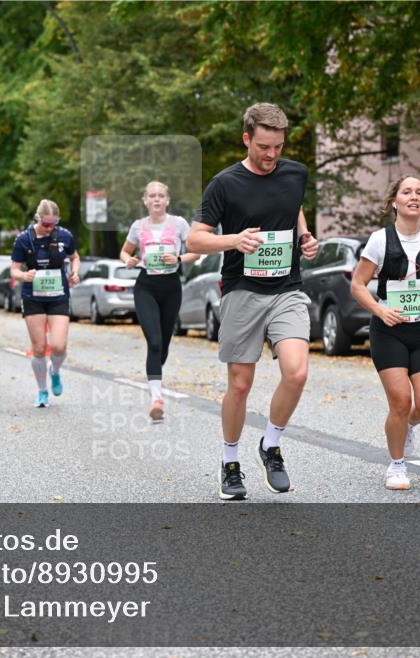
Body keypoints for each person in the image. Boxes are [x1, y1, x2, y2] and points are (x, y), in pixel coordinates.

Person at [187, 103, 320, 501]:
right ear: (246, 138)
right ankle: (230, 463)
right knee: (240, 385)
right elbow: (195, 239)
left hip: (287, 289)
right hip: (242, 290)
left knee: (296, 373)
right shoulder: (225, 184)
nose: (271, 155)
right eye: (263, 146)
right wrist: (234, 240)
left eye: (278, 146)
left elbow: (293, 207)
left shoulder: (295, 173)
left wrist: (305, 238)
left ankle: (271, 445)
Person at [350, 175, 420, 491]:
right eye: (406, 191)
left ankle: (407, 424)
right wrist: (380, 310)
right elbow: (357, 285)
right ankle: (396, 466)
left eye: (419, 192)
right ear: (394, 201)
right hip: (389, 330)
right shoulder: (380, 240)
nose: (414, 196)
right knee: (399, 400)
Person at [120, 182, 200, 421]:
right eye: (152, 196)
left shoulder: (179, 224)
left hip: (171, 287)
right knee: (154, 342)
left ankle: (155, 376)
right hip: (146, 286)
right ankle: (156, 398)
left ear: (167, 200)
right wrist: (129, 260)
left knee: (163, 345)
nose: (156, 199)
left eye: (160, 196)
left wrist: (177, 257)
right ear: (145, 200)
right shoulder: (138, 226)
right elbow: (125, 251)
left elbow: (196, 252)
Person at [10, 200, 81, 408]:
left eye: (54, 223)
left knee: (59, 346)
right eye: (46, 223)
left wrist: (75, 272)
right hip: (33, 296)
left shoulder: (64, 236)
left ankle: (55, 371)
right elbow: (13, 269)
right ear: (38, 218)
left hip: (58, 294)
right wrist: (24, 275)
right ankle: (42, 391)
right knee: (39, 348)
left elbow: (74, 257)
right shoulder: (24, 239)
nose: (50, 228)